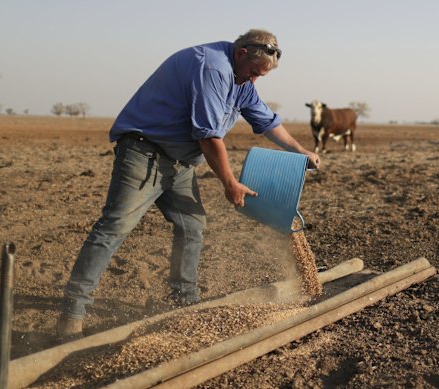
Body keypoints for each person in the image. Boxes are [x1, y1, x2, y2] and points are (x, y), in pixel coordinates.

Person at [56, 28, 320, 341]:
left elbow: (267, 122)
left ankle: (184, 300)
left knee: (192, 225)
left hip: (179, 162)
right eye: (254, 72)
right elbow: (208, 136)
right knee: (114, 228)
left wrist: (301, 151)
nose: (255, 81)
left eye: (261, 76)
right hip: (145, 152)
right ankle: (72, 314)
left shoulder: (242, 80)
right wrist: (230, 183)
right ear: (241, 53)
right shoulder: (213, 68)